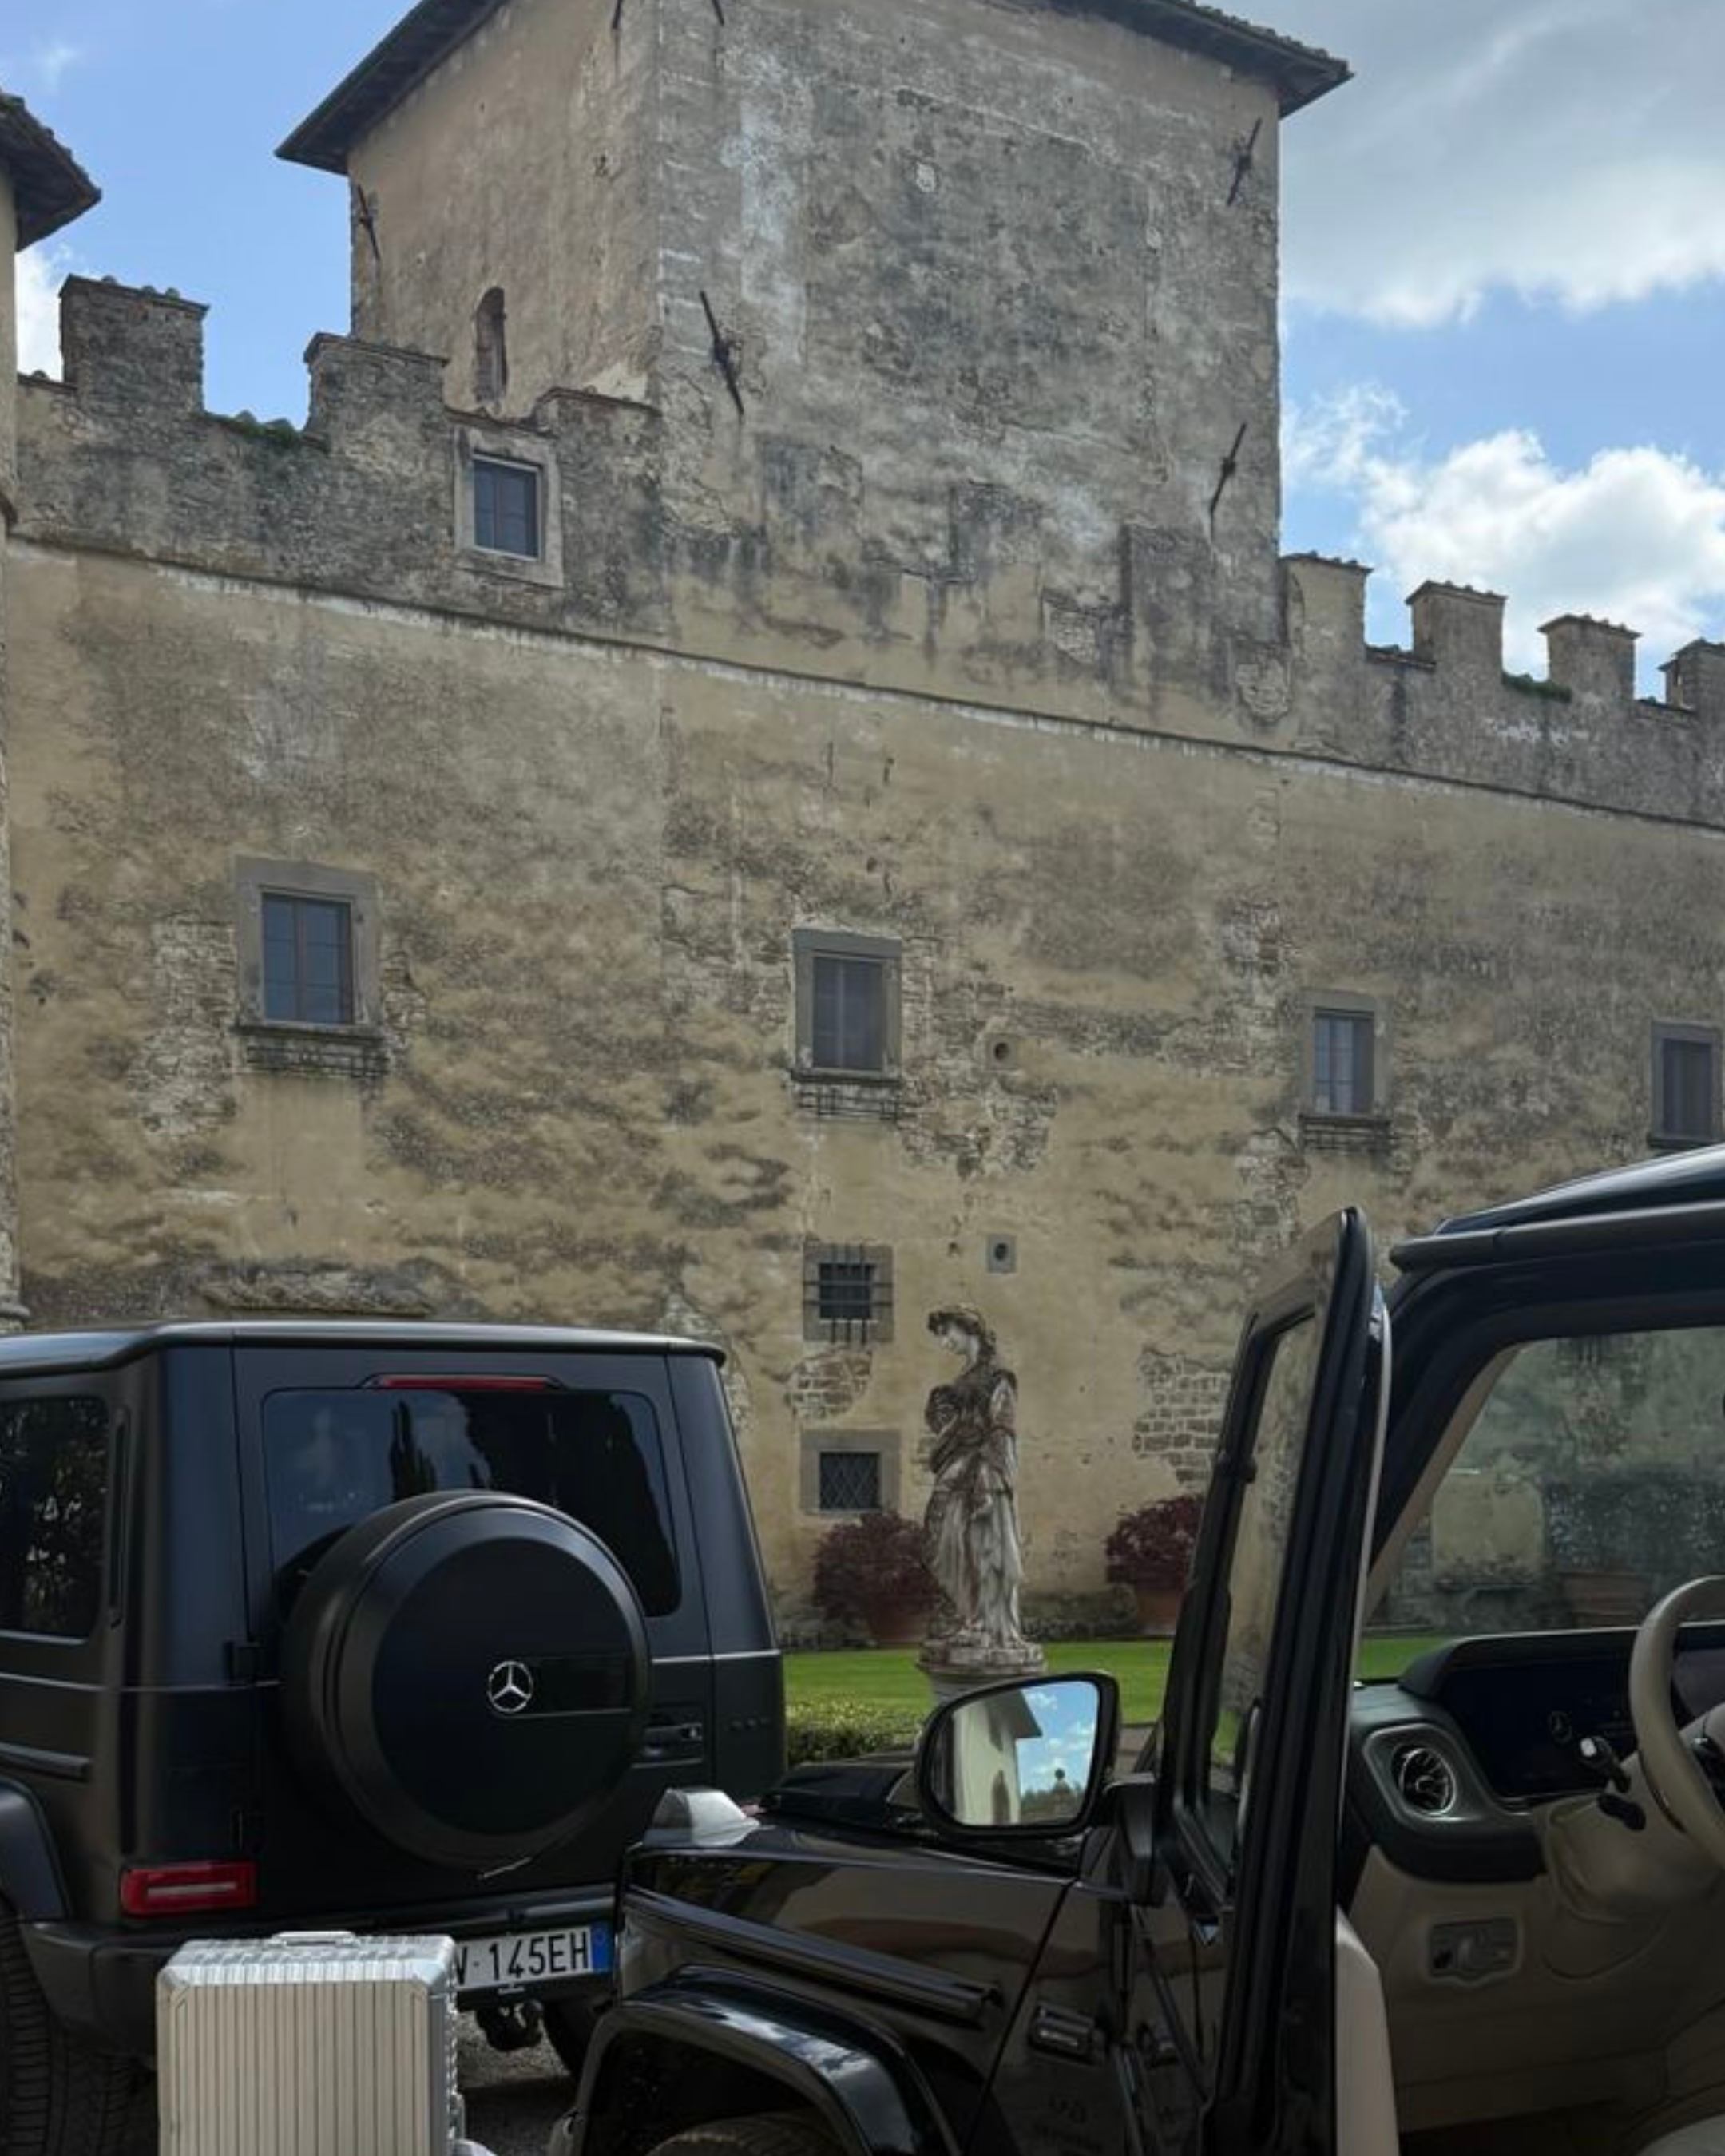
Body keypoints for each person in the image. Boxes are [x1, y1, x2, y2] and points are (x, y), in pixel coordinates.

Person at [922, 1305, 1029, 1651]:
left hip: (984, 1467)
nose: (944, 1342)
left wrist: (992, 1472)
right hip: (959, 1465)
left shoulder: (998, 1376)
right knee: (953, 1540)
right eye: (940, 1336)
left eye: (947, 1333)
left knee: (984, 1544)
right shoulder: (964, 1377)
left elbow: (1002, 1427)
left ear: (968, 1328)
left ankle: (988, 1624)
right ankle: (971, 1617)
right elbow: (958, 1423)